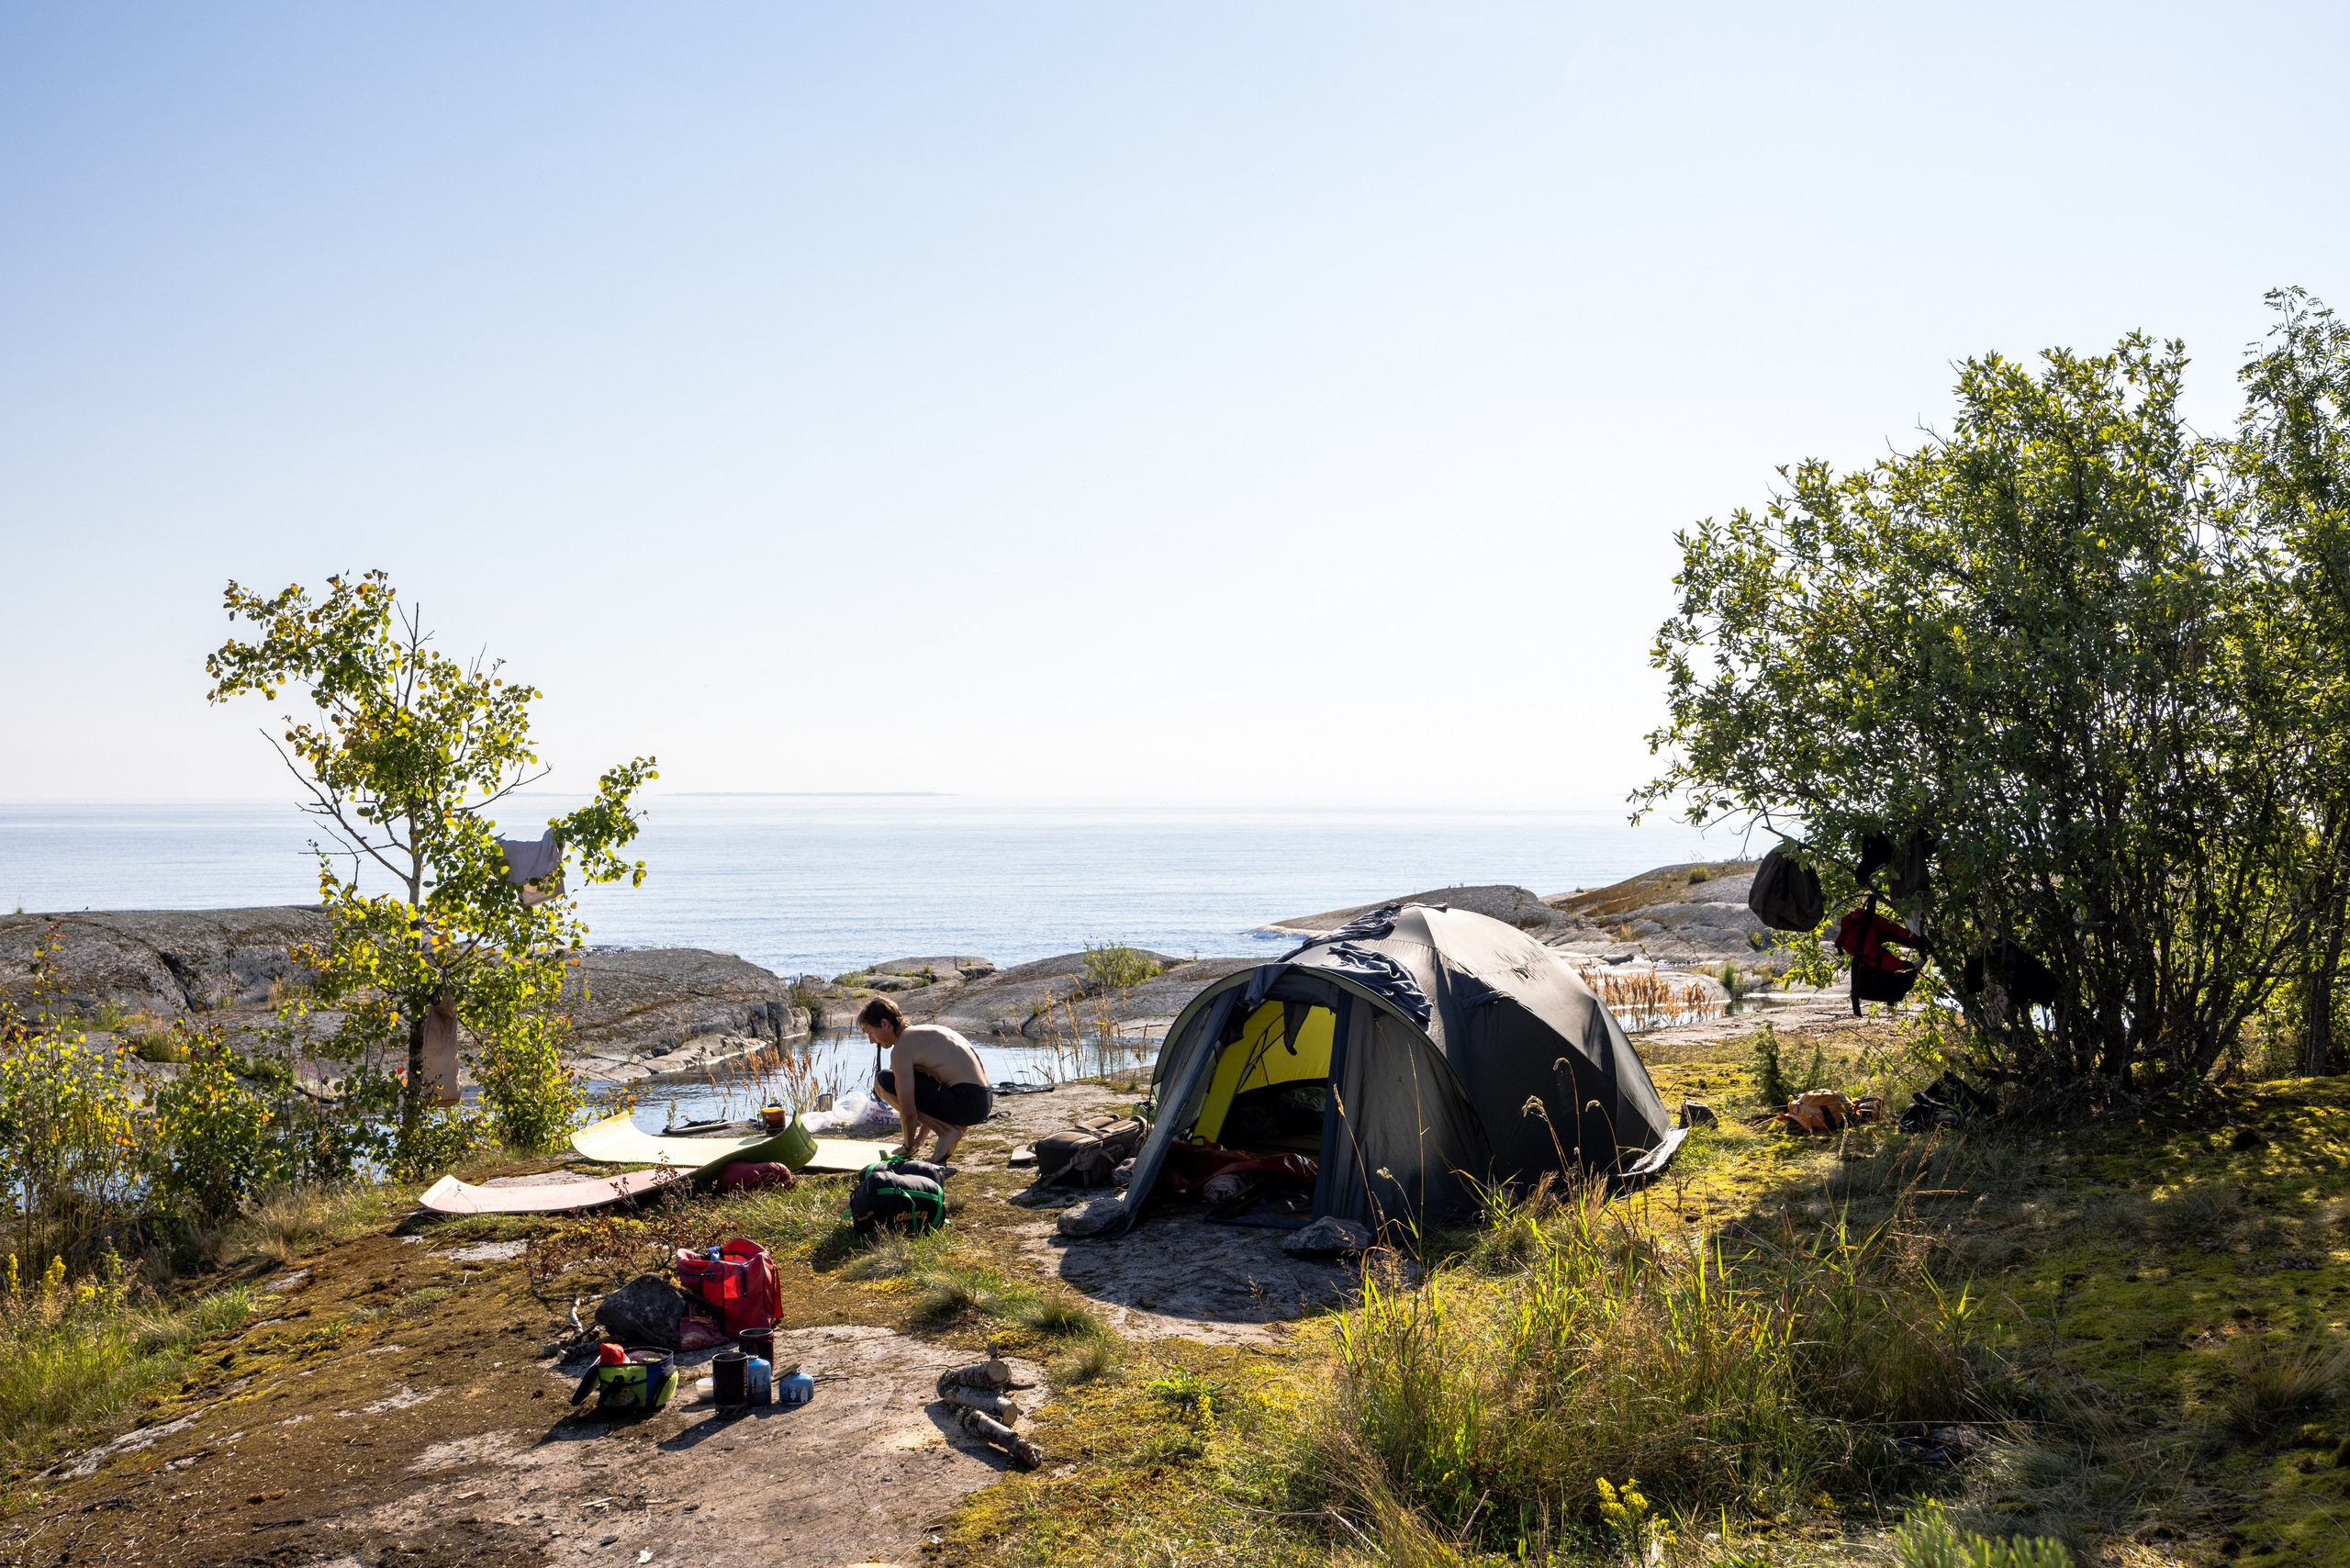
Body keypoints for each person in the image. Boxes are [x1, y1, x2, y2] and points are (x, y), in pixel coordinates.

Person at [857, 996, 993, 1161]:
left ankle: (947, 1132)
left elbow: (909, 1111)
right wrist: (919, 1141)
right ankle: (951, 1132)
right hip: (982, 1100)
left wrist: (907, 1147)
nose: (871, 1041)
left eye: (870, 1032)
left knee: (882, 1082)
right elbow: (925, 1099)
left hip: (966, 1100)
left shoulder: (902, 1049)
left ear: (885, 1024)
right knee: (901, 1081)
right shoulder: (920, 1035)